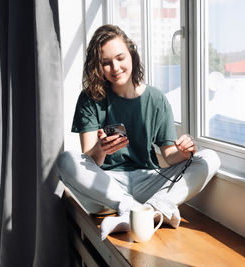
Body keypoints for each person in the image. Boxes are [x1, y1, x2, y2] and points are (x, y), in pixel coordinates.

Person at [56, 24, 220, 240]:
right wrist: (102, 149)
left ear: (132, 55)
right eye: (106, 63)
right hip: (106, 189)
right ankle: (137, 209)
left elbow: (170, 156)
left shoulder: (156, 99)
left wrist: (183, 151)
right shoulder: (90, 98)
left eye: (120, 58)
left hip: (147, 182)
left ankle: (148, 210)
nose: (115, 67)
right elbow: (88, 160)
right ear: (98, 67)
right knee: (66, 159)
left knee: (210, 158)